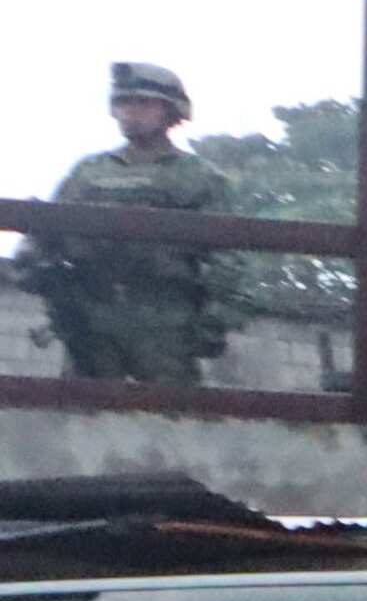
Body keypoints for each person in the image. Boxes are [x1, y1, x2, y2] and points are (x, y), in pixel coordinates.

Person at [22, 61, 236, 387]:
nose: (129, 112)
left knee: (173, 423)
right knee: (84, 421)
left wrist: (214, 319)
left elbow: (228, 258)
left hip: (166, 324)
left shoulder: (198, 177)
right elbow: (47, 233)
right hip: (90, 320)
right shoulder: (88, 173)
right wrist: (34, 261)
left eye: (142, 103)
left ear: (170, 111)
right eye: (123, 102)